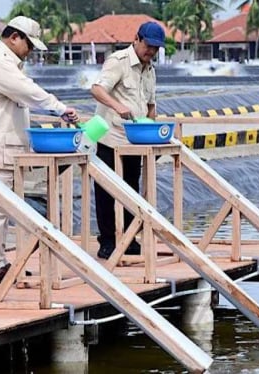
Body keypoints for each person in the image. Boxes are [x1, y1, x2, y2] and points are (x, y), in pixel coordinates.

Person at [0, 16, 79, 283]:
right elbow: (28, 92)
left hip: (1, 146)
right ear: (14, 37)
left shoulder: (9, 63)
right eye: (29, 44)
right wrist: (60, 108)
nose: (30, 51)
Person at [90, 22, 165, 260]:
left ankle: (130, 238)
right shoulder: (119, 61)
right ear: (137, 39)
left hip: (135, 141)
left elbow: (151, 104)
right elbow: (97, 89)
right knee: (106, 192)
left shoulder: (150, 70)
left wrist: (151, 129)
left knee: (132, 190)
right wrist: (117, 105)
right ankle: (107, 241)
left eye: (155, 49)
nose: (150, 52)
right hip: (110, 137)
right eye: (148, 46)